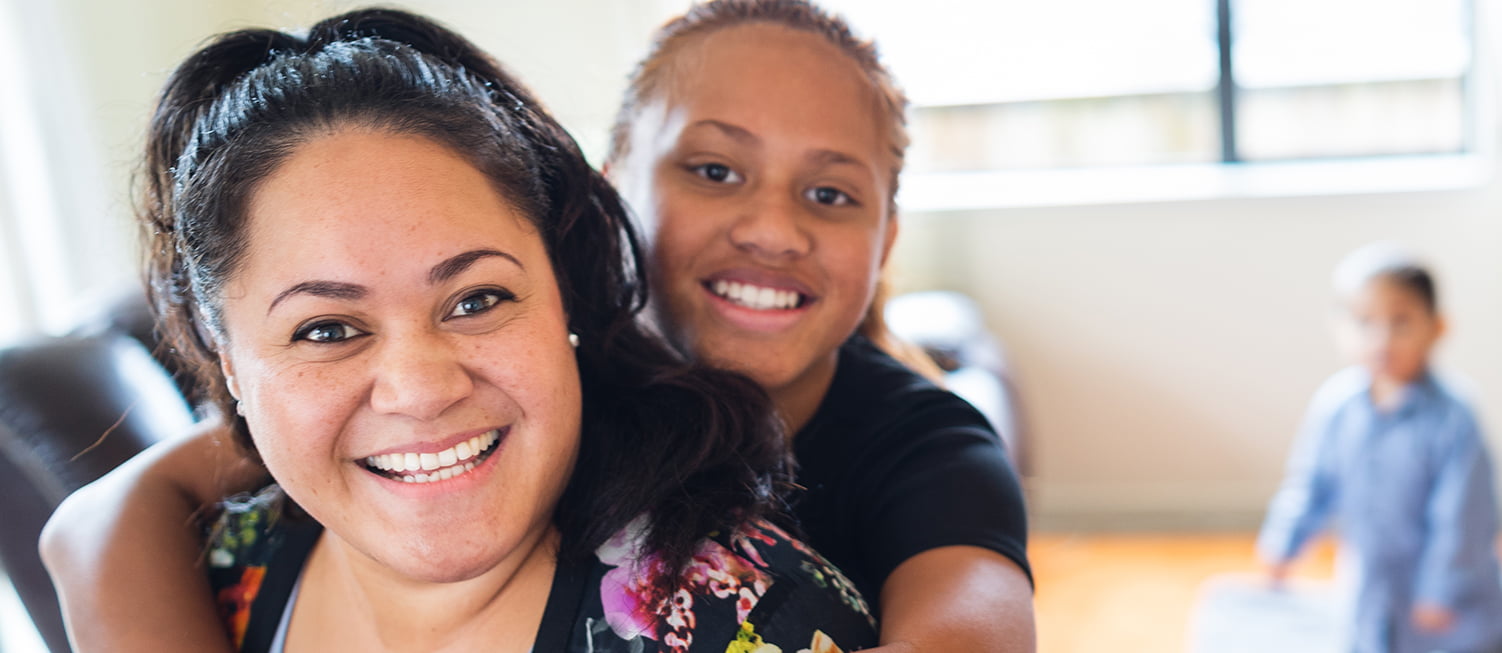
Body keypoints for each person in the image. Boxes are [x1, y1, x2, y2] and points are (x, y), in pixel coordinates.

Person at [43, 1, 1034, 650]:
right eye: (714, 169)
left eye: (475, 299)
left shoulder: (916, 453)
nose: (769, 228)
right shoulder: (271, 529)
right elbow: (99, 517)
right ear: (609, 197)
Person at [1258, 242, 1502, 653]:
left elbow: (1463, 517)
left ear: (1437, 327)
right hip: (1371, 578)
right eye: (1364, 322)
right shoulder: (1336, 407)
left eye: (1400, 321)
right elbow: (1310, 483)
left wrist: (1442, 589)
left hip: (1445, 597)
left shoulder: (1453, 417)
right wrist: (1284, 544)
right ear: (1339, 326)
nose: (1382, 338)